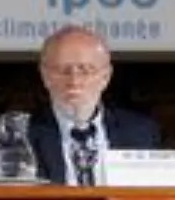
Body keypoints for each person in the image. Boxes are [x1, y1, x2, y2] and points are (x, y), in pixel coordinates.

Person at [27, 25, 159, 185]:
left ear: (106, 77)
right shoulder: (22, 135)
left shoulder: (140, 131)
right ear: (45, 76)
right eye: (62, 70)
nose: (74, 81)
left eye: (86, 70)